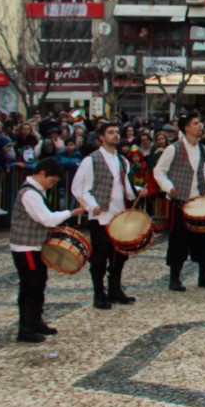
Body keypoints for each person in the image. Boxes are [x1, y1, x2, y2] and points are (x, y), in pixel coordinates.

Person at [70, 122, 147, 310]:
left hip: (119, 214)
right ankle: (99, 292)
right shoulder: (91, 160)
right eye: (110, 132)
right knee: (99, 256)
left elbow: (125, 186)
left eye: (117, 132)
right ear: (101, 137)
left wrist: (137, 191)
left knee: (120, 255)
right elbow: (79, 188)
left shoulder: (122, 161)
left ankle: (115, 289)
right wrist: (92, 206)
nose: (115, 135)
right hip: (101, 215)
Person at [10, 158, 86, 342]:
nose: (51, 186)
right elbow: (46, 219)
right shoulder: (29, 194)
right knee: (30, 285)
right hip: (25, 246)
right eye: (51, 181)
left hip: (34, 246)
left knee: (39, 283)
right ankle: (25, 327)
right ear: (42, 173)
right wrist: (71, 213)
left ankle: (35, 321)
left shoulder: (36, 191)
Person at [153, 114, 205, 292]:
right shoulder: (173, 149)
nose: (200, 126)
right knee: (178, 241)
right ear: (186, 128)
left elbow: (202, 172)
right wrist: (169, 188)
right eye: (196, 123)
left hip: (198, 200)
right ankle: (175, 277)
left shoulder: (202, 149)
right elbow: (159, 171)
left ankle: (204, 275)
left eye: (199, 122)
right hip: (180, 201)